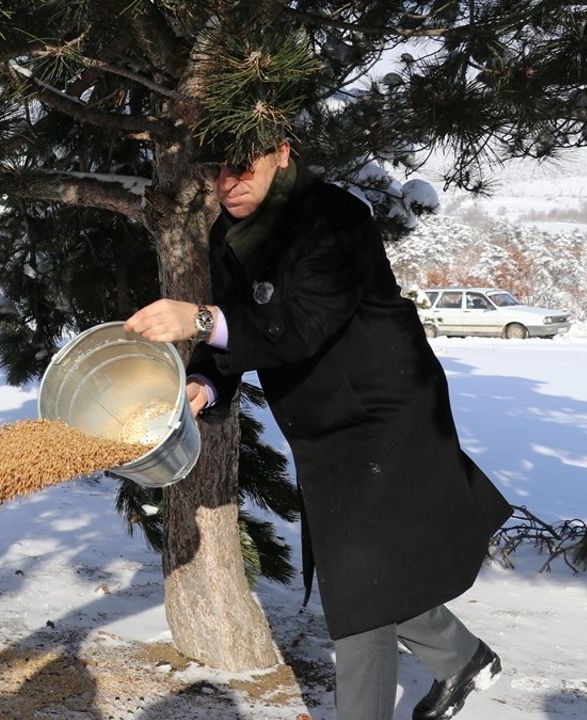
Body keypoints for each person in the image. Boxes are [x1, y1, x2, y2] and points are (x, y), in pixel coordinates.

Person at [124, 140, 513, 720]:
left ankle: (434, 673)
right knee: (359, 570)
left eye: (240, 166)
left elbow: (300, 324)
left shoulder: (333, 216)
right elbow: (241, 328)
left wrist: (199, 319)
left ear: (280, 152)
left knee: (358, 587)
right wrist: (204, 384)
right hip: (325, 425)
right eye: (214, 170)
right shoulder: (231, 236)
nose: (226, 183)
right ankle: (461, 658)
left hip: (385, 413)